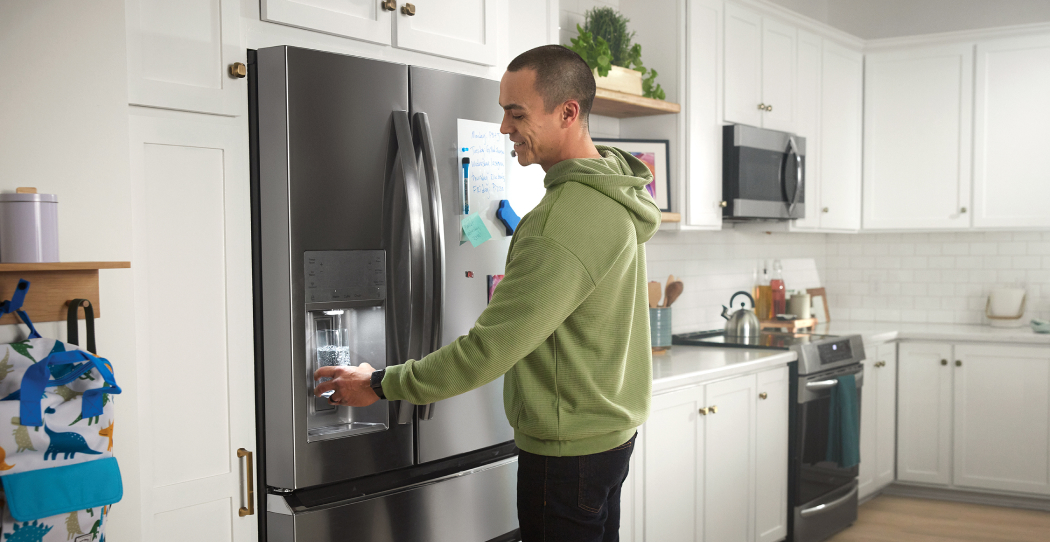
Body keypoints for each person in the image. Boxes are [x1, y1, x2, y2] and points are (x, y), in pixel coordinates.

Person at [313, 44, 661, 542]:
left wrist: (381, 383)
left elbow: (487, 352)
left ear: (568, 113)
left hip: (566, 455)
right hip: (606, 441)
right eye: (502, 112)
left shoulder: (561, 221)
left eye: (516, 113)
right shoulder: (612, 194)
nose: (503, 128)